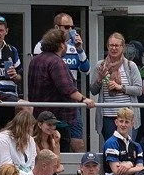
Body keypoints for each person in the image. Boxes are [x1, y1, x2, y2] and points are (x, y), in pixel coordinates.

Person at [28, 26, 96, 156]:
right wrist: (84, 99)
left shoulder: (35, 60)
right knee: (58, 152)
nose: (66, 45)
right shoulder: (56, 62)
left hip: (39, 117)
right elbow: (67, 88)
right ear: (60, 45)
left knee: (41, 151)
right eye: (64, 43)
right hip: (57, 119)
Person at [93, 33, 144, 144]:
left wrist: (121, 88)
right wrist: (99, 80)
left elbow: (139, 90)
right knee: (111, 148)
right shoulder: (100, 65)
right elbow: (93, 90)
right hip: (108, 116)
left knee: (128, 147)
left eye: (117, 45)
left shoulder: (130, 66)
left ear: (123, 48)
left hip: (128, 115)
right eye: (111, 45)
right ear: (107, 46)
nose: (114, 48)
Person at [101, 107, 141, 175]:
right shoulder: (111, 143)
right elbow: (116, 171)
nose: (123, 125)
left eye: (127, 122)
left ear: (132, 124)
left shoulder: (136, 146)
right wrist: (134, 165)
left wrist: (129, 164)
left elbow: (140, 168)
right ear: (116, 122)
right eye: (121, 121)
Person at [0, 107, 39, 174]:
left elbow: (33, 164)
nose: (31, 131)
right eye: (29, 128)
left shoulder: (30, 140)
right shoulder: (2, 138)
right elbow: (6, 166)